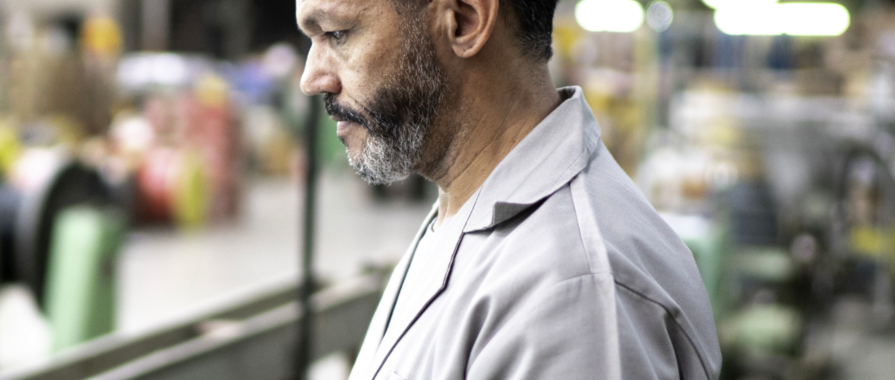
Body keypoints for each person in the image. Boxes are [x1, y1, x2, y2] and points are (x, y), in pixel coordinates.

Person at [295, 0, 721, 378]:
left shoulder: (575, 296)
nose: (312, 79)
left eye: (337, 34)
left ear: (465, 22)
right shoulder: (467, 207)